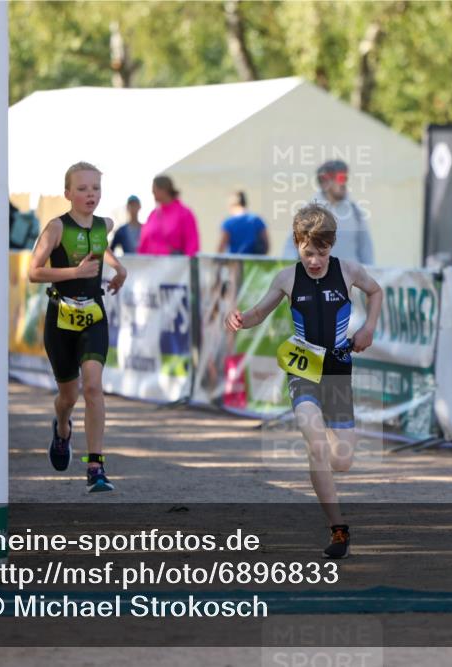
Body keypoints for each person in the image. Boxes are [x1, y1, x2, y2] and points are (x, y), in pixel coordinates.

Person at [226, 204, 383, 558]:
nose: (314, 260)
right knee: (314, 440)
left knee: (342, 461)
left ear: (332, 246)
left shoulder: (349, 271)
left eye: (322, 252)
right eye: (308, 252)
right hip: (303, 370)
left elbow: (377, 292)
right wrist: (239, 318)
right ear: (297, 244)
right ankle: (337, 528)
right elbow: (258, 313)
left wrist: (368, 327)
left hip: (338, 369)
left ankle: (326, 457)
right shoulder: (286, 278)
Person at [28, 162, 127, 493]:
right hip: (60, 318)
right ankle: (61, 429)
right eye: (83, 189)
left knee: (93, 387)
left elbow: (99, 244)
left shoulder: (105, 224)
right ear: (68, 193)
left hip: (93, 316)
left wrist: (118, 268)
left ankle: (95, 467)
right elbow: (33, 271)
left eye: (96, 188)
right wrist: (74, 274)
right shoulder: (55, 227)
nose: (90, 195)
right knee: (68, 396)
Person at [281, 160, 374, 265]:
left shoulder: (356, 212)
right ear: (325, 182)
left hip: (350, 280)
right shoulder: (308, 212)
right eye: (339, 178)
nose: (343, 183)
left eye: (345, 178)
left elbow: (366, 251)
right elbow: (291, 248)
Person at [137, 175, 199, 256]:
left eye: (154, 190)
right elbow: (144, 243)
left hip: (176, 265)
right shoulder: (153, 215)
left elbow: (192, 244)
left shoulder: (184, 213)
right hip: (152, 265)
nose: (152, 192)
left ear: (164, 190)